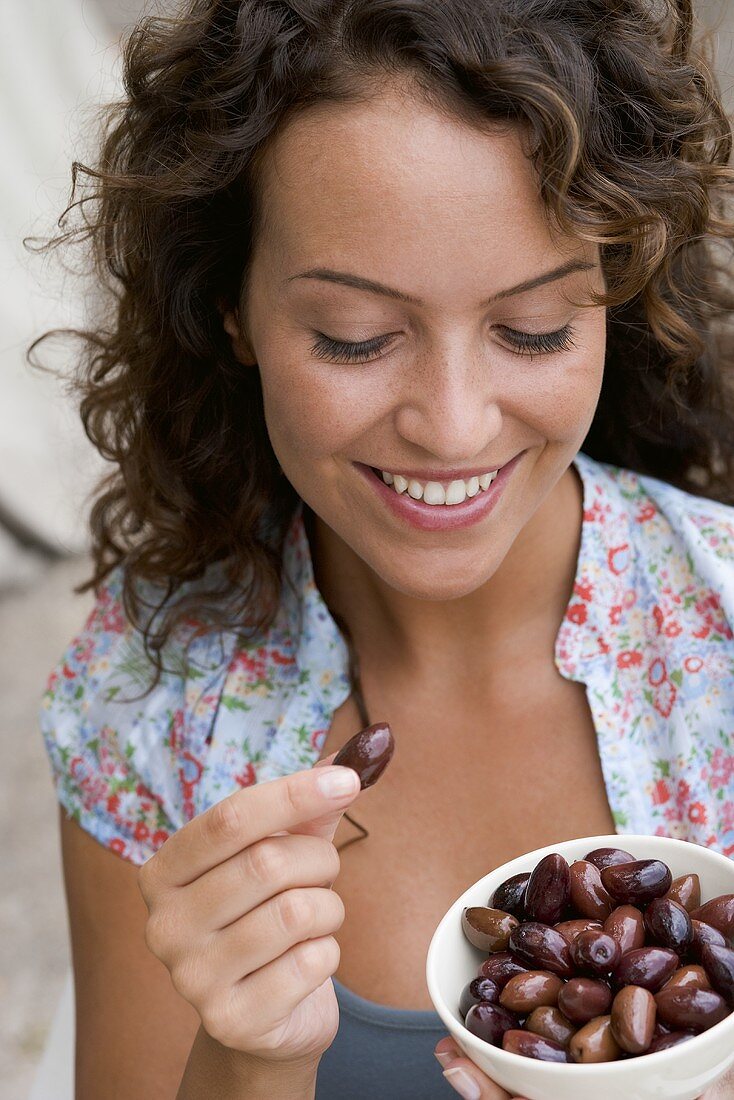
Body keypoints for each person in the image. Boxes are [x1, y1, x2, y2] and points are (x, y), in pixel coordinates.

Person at [34, 0, 734, 1096]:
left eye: (534, 327)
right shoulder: (154, 693)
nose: (451, 425)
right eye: (355, 337)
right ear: (231, 308)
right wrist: (248, 1058)